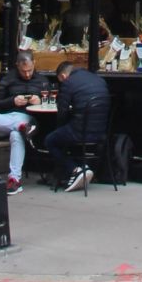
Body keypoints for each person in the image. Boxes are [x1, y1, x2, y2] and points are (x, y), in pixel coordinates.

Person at [43, 59, 110, 194]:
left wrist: (59, 127)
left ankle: (75, 170)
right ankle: (80, 169)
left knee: (50, 140)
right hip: (102, 132)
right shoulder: (99, 79)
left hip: (80, 131)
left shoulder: (68, 83)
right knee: (63, 135)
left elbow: (62, 112)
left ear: (63, 76)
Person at [0, 49, 43, 192]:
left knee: (16, 135)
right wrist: (12, 101)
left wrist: (40, 101)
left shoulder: (42, 81)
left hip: (27, 117)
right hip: (8, 117)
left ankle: (14, 179)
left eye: (30, 70)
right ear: (17, 66)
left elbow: (52, 102)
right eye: (23, 71)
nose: (27, 74)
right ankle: (20, 126)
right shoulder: (8, 79)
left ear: (34, 63)